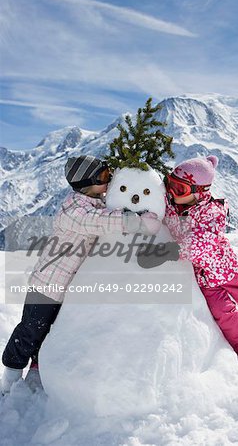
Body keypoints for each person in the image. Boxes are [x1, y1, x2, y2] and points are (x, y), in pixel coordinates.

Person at [1, 155, 160, 394]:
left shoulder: (96, 202)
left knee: (51, 330)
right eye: (104, 177)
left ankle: (37, 370)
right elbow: (99, 222)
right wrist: (134, 220)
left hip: (66, 287)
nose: (109, 181)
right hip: (46, 285)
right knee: (30, 330)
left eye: (109, 175)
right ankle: (11, 377)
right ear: (88, 183)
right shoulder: (75, 210)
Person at [138, 155, 238, 366]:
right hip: (202, 276)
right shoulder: (171, 202)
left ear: (199, 193)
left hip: (224, 266)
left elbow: (199, 242)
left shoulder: (212, 211)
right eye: (169, 183)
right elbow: (152, 203)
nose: (171, 191)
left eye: (179, 189)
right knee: (222, 311)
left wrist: (168, 252)